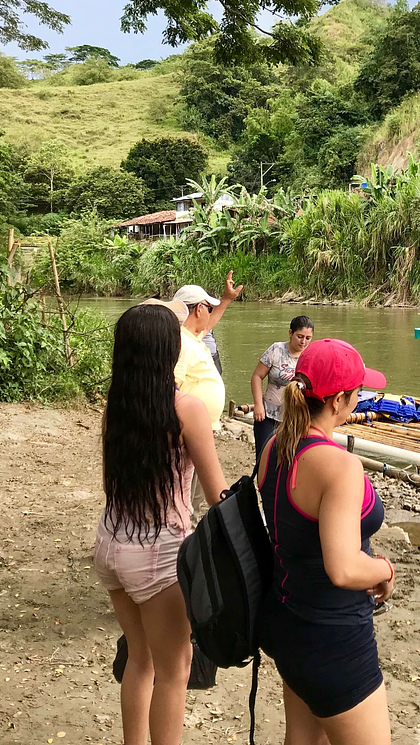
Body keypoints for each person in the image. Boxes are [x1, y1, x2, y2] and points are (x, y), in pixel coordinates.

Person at [93, 301, 229, 745]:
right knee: (175, 671)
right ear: (168, 352)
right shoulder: (185, 409)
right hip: (157, 555)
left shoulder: (116, 409)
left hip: (111, 545)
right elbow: (216, 495)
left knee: (140, 659)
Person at [256, 339, 393, 745]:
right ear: (337, 401)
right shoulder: (340, 466)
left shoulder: (274, 447)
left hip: (287, 622)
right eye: (357, 393)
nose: (359, 399)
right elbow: (344, 567)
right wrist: (385, 569)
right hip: (334, 638)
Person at [172, 283, 235, 513]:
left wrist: (226, 299)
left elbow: (209, 324)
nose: (209, 314)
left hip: (200, 430)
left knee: (196, 489)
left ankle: (189, 522)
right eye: (208, 308)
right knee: (188, 488)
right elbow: (172, 387)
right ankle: (184, 529)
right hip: (188, 433)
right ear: (199, 309)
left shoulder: (192, 336)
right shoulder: (181, 341)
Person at [250, 315, 315, 460]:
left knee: (288, 459)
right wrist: (258, 404)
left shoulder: (311, 356)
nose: (303, 342)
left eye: (308, 338)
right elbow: (257, 377)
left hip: (294, 417)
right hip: (268, 413)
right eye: (300, 336)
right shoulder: (276, 350)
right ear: (290, 333)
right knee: (263, 457)